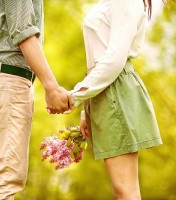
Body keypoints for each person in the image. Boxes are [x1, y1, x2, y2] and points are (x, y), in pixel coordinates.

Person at [67, 0, 165, 199]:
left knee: (125, 190)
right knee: (121, 190)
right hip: (105, 92)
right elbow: (97, 59)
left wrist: (75, 95)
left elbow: (114, 60)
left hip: (115, 92)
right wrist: (86, 110)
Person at [0, 1, 74, 199]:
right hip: (8, 79)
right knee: (7, 177)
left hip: (4, 76)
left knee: (8, 172)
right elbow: (23, 32)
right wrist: (51, 87)